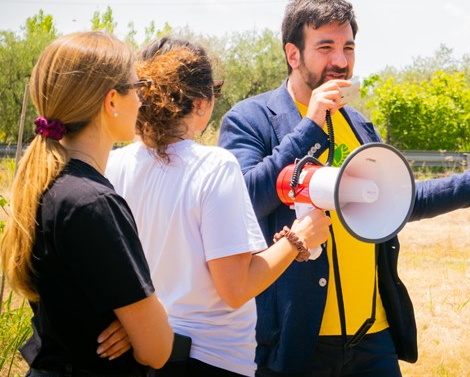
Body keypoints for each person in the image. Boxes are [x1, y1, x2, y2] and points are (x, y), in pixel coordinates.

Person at [218, 0, 470, 376]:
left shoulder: (358, 124)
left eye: (348, 48)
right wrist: (308, 127)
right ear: (292, 54)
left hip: (373, 338)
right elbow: (244, 202)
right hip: (296, 342)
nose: (340, 61)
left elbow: (403, 199)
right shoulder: (249, 119)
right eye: (325, 47)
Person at [106, 37, 331, 377]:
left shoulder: (114, 164)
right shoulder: (214, 166)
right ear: (201, 103)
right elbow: (236, 288)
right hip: (210, 356)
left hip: (144, 350)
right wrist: (297, 240)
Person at [0, 31, 173, 375]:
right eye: (138, 87)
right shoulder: (92, 203)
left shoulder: (46, 185)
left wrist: (130, 323)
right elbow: (157, 349)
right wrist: (141, 324)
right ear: (111, 101)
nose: (141, 101)